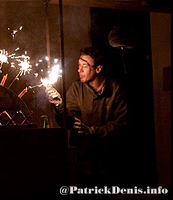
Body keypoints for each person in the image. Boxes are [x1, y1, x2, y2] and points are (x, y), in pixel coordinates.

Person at [45, 47, 128, 187]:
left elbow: (121, 123)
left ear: (98, 69)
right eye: (79, 65)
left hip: (108, 159)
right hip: (83, 159)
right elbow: (68, 122)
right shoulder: (76, 89)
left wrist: (93, 131)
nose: (79, 70)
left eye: (85, 65)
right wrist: (59, 107)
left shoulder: (114, 89)